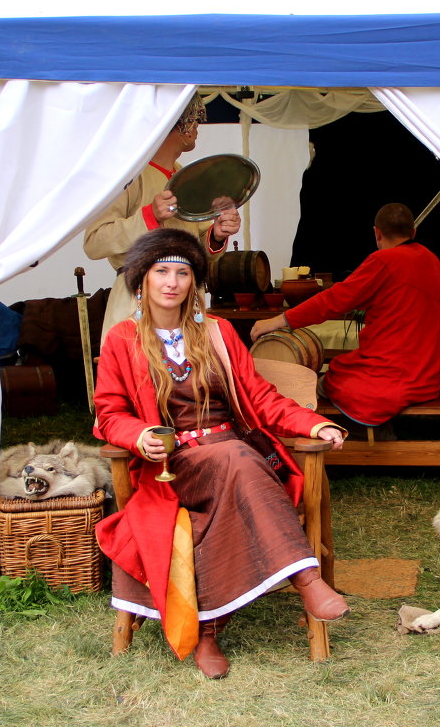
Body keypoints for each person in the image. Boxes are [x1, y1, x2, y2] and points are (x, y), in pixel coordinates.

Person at [93, 228, 348, 679]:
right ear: (143, 281)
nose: (172, 282)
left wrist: (315, 422)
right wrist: (138, 436)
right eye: (161, 271)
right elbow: (109, 413)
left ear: (193, 283)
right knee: (237, 462)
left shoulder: (218, 333)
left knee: (234, 467)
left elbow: (261, 397)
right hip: (175, 464)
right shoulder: (123, 339)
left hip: (232, 451)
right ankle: (307, 579)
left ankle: (207, 632)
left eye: (182, 273)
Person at [250, 203, 440, 429]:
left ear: (376, 233)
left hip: (395, 377)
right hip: (430, 377)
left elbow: (333, 300)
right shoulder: (431, 260)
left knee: (330, 380)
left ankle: (345, 434)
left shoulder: (383, 261)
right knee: (346, 368)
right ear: (414, 233)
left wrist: (279, 320)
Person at [84, 93, 242, 339]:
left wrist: (216, 236)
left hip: (187, 306)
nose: (198, 127)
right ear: (176, 123)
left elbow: (193, 249)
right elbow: (95, 242)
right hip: (139, 305)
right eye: (194, 119)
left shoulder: (186, 177)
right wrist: (150, 216)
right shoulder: (128, 175)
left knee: (189, 376)